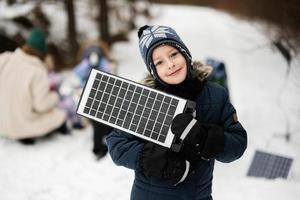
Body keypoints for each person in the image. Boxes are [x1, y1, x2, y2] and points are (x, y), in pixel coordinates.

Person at [106, 25, 247, 200]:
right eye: (159, 62)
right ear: (153, 70)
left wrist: (205, 137)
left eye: (173, 54)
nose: (170, 64)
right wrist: (148, 157)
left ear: (185, 54)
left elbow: (238, 143)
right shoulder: (144, 100)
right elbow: (116, 142)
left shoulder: (215, 96)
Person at [0, 28, 68, 145]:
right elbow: (41, 105)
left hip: (2, 123)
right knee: (60, 114)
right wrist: (55, 96)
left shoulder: (5, 58)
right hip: (20, 124)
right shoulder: (38, 71)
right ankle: (27, 134)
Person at [74, 43, 114, 159]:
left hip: (97, 96)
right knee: (100, 122)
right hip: (94, 96)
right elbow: (78, 73)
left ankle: (101, 144)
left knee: (101, 121)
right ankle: (99, 148)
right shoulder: (88, 65)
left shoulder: (101, 63)